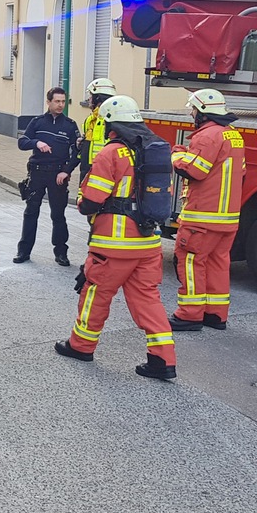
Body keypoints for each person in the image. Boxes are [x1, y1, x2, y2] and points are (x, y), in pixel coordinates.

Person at [54, 95, 177, 381]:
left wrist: (83, 200)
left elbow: (91, 200)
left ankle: (81, 346)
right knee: (148, 300)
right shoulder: (153, 148)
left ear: (111, 124)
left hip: (114, 244)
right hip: (148, 243)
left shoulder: (112, 153)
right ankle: (163, 360)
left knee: (95, 293)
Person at [168, 88, 246, 331]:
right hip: (227, 218)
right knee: (218, 264)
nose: (191, 114)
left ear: (202, 111)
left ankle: (189, 315)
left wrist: (176, 154)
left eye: (193, 109)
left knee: (191, 263)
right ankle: (215, 315)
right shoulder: (234, 135)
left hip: (202, 218)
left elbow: (194, 170)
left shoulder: (206, 136)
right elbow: (241, 172)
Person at [14, 86, 79, 266]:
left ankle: (61, 253)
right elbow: (22, 142)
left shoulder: (70, 125)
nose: (60, 105)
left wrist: (66, 171)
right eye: (57, 101)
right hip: (37, 173)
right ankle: (23, 251)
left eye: (63, 101)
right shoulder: (37, 122)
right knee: (30, 212)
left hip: (58, 175)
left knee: (58, 215)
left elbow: (77, 152)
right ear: (48, 102)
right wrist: (37, 142)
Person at [79, 78, 117, 179]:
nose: (89, 100)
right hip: (88, 167)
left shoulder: (111, 118)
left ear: (97, 98)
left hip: (103, 169)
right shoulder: (91, 119)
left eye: (91, 96)